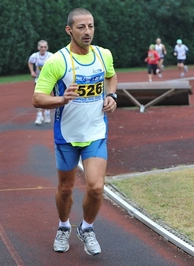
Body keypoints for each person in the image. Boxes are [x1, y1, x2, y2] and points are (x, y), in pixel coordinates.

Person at [32, 8, 118, 256]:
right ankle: (63, 226)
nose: (87, 32)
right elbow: (37, 98)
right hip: (67, 136)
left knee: (96, 187)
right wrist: (61, 99)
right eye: (81, 27)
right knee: (66, 188)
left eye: (90, 26)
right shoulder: (57, 60)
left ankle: (87, 228)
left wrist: (112, 95)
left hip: (96, 132)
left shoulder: (104, 55)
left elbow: (112, 77)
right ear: (69, 30)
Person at [28, 40, 53, 125]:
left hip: (48, 79)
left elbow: (55, 65)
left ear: (47, 47)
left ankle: (47, 113)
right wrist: (32, 71)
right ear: (38, 47)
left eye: (44, 47)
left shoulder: (50, 56)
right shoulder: (35, 56)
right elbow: (30, 62)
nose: (43, 49)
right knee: (37, 97)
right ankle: (39, 115)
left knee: (47, 96)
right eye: (41, 47)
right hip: (38, 79)